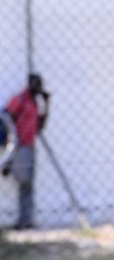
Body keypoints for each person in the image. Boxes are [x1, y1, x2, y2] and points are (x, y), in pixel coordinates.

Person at [3, 73, 50, 230]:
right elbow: (6, 115)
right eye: (36, 84)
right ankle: (23, 219)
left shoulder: (35, 103)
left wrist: (46, 103)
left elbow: (40, 126)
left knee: (28, 185)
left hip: (30, 146)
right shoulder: (20, 99)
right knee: (23, 181)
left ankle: (26, 220)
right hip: (19, 145)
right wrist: (10, 140)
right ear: (30, 84)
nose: (39, 88)